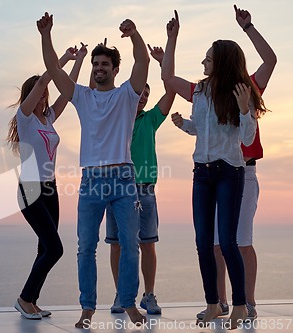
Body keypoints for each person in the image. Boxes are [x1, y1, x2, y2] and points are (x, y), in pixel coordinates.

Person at [37, 12, 150, 327]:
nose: (99, 68)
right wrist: (46, 35)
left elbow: (143, 63)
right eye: (95, 64)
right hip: (91, 181)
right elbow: (53, 70)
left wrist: (134, 34)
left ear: (115, 69)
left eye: (105, 65)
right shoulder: (82, 96)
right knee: (85, 246)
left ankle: (127, 302)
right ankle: (88, 306)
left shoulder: (127, 94)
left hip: (124, 179)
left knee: (130, 244)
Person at [163, 10, 266, 329]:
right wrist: (172, 39)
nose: (203, 63)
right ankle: (212, 304)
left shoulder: (239, 92)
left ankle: (239, 305)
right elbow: (168, 79)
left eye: (208, 59)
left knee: (230, 241)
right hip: (202, 173)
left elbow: (247, 137)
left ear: (220, 61)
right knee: (204, 242)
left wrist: (247, 108)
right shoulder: (199, 92)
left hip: (230, 172)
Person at [195, 4, 276, 322]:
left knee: (241, 241)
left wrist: (248, 27)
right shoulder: (206, 91)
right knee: (214, 244)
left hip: (244, 173)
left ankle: (249, 304)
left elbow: (270, 60)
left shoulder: (248, 86)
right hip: (212, 172)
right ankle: (220, 303)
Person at [8, 43, 88, 320]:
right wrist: (64, 57)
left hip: (49, 188)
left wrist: (79, 60)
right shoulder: (26, 118)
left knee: (45, 247)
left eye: (45, 92)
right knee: (55, 248)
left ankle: (32, 301)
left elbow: (70, 88)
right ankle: (24, 298)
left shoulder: (49, 118)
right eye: (40, 91)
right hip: (29, 189)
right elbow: (47, 77)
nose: (44, 93)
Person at [104, 44, 175, 316]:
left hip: (145, 190)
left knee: (148, 243)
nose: (142, 98)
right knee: (118, 244)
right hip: (117, 187)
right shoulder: (116, 117)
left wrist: (160, 62)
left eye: (146, 94)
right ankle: (122, 296)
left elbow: (171, 92)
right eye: (140, 93)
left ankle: (148, 295)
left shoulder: (151, 119)